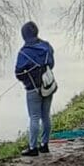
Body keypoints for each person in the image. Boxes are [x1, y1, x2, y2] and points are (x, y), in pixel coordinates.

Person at [15, 21, 56, 157]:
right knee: (46, 116)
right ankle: (44, 145)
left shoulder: (24, 52)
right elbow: (51, 64)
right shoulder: (47, 46)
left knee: (34, 117)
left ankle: (33, 148)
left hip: (33, 89)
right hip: (48, 85)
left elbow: (18, 73)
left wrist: (27, 78)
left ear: (24, 36)